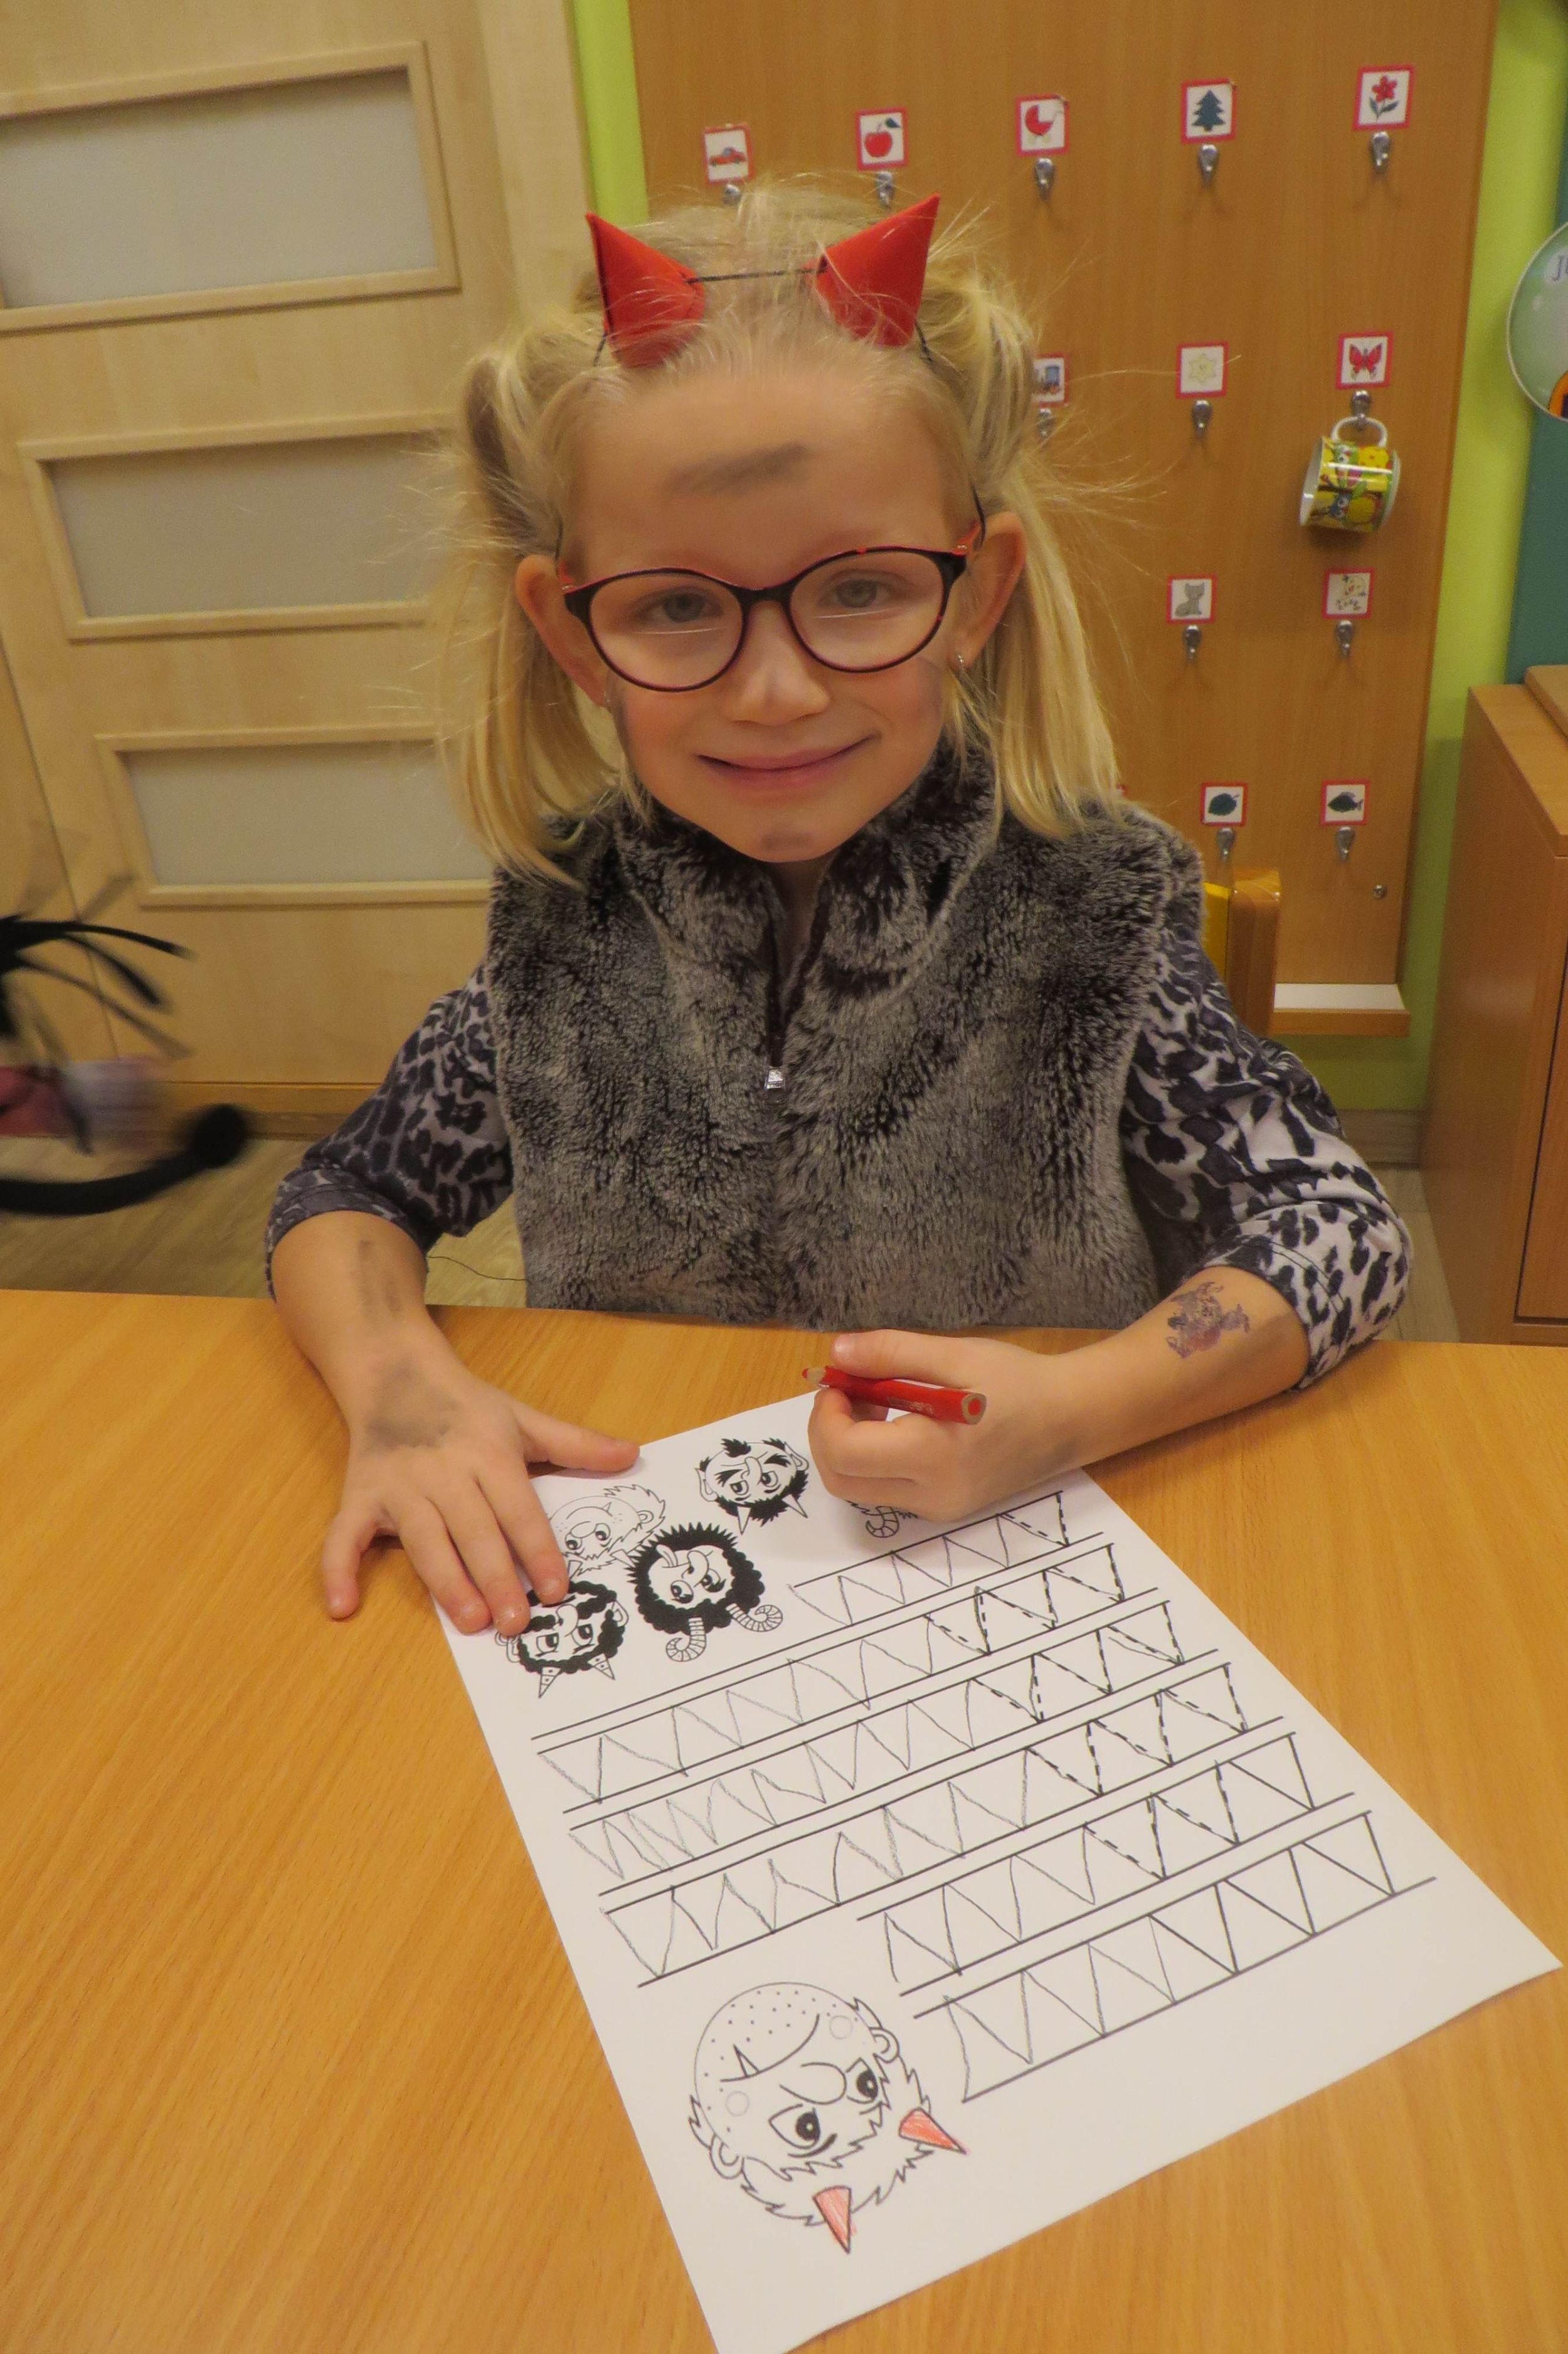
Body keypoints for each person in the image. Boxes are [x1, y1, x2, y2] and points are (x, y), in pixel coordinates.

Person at [267, 184, 1409, 1638]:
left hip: (1006, 1575)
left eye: (860, 589)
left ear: (975, 594)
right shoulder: (563, 932)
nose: (774, 689)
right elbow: (343, 1192)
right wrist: (399, 1389)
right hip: (672, 1589)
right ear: (572, 632)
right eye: (676, 606)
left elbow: (1332, 1225)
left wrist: (1072, 1404)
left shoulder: (1091, 912)